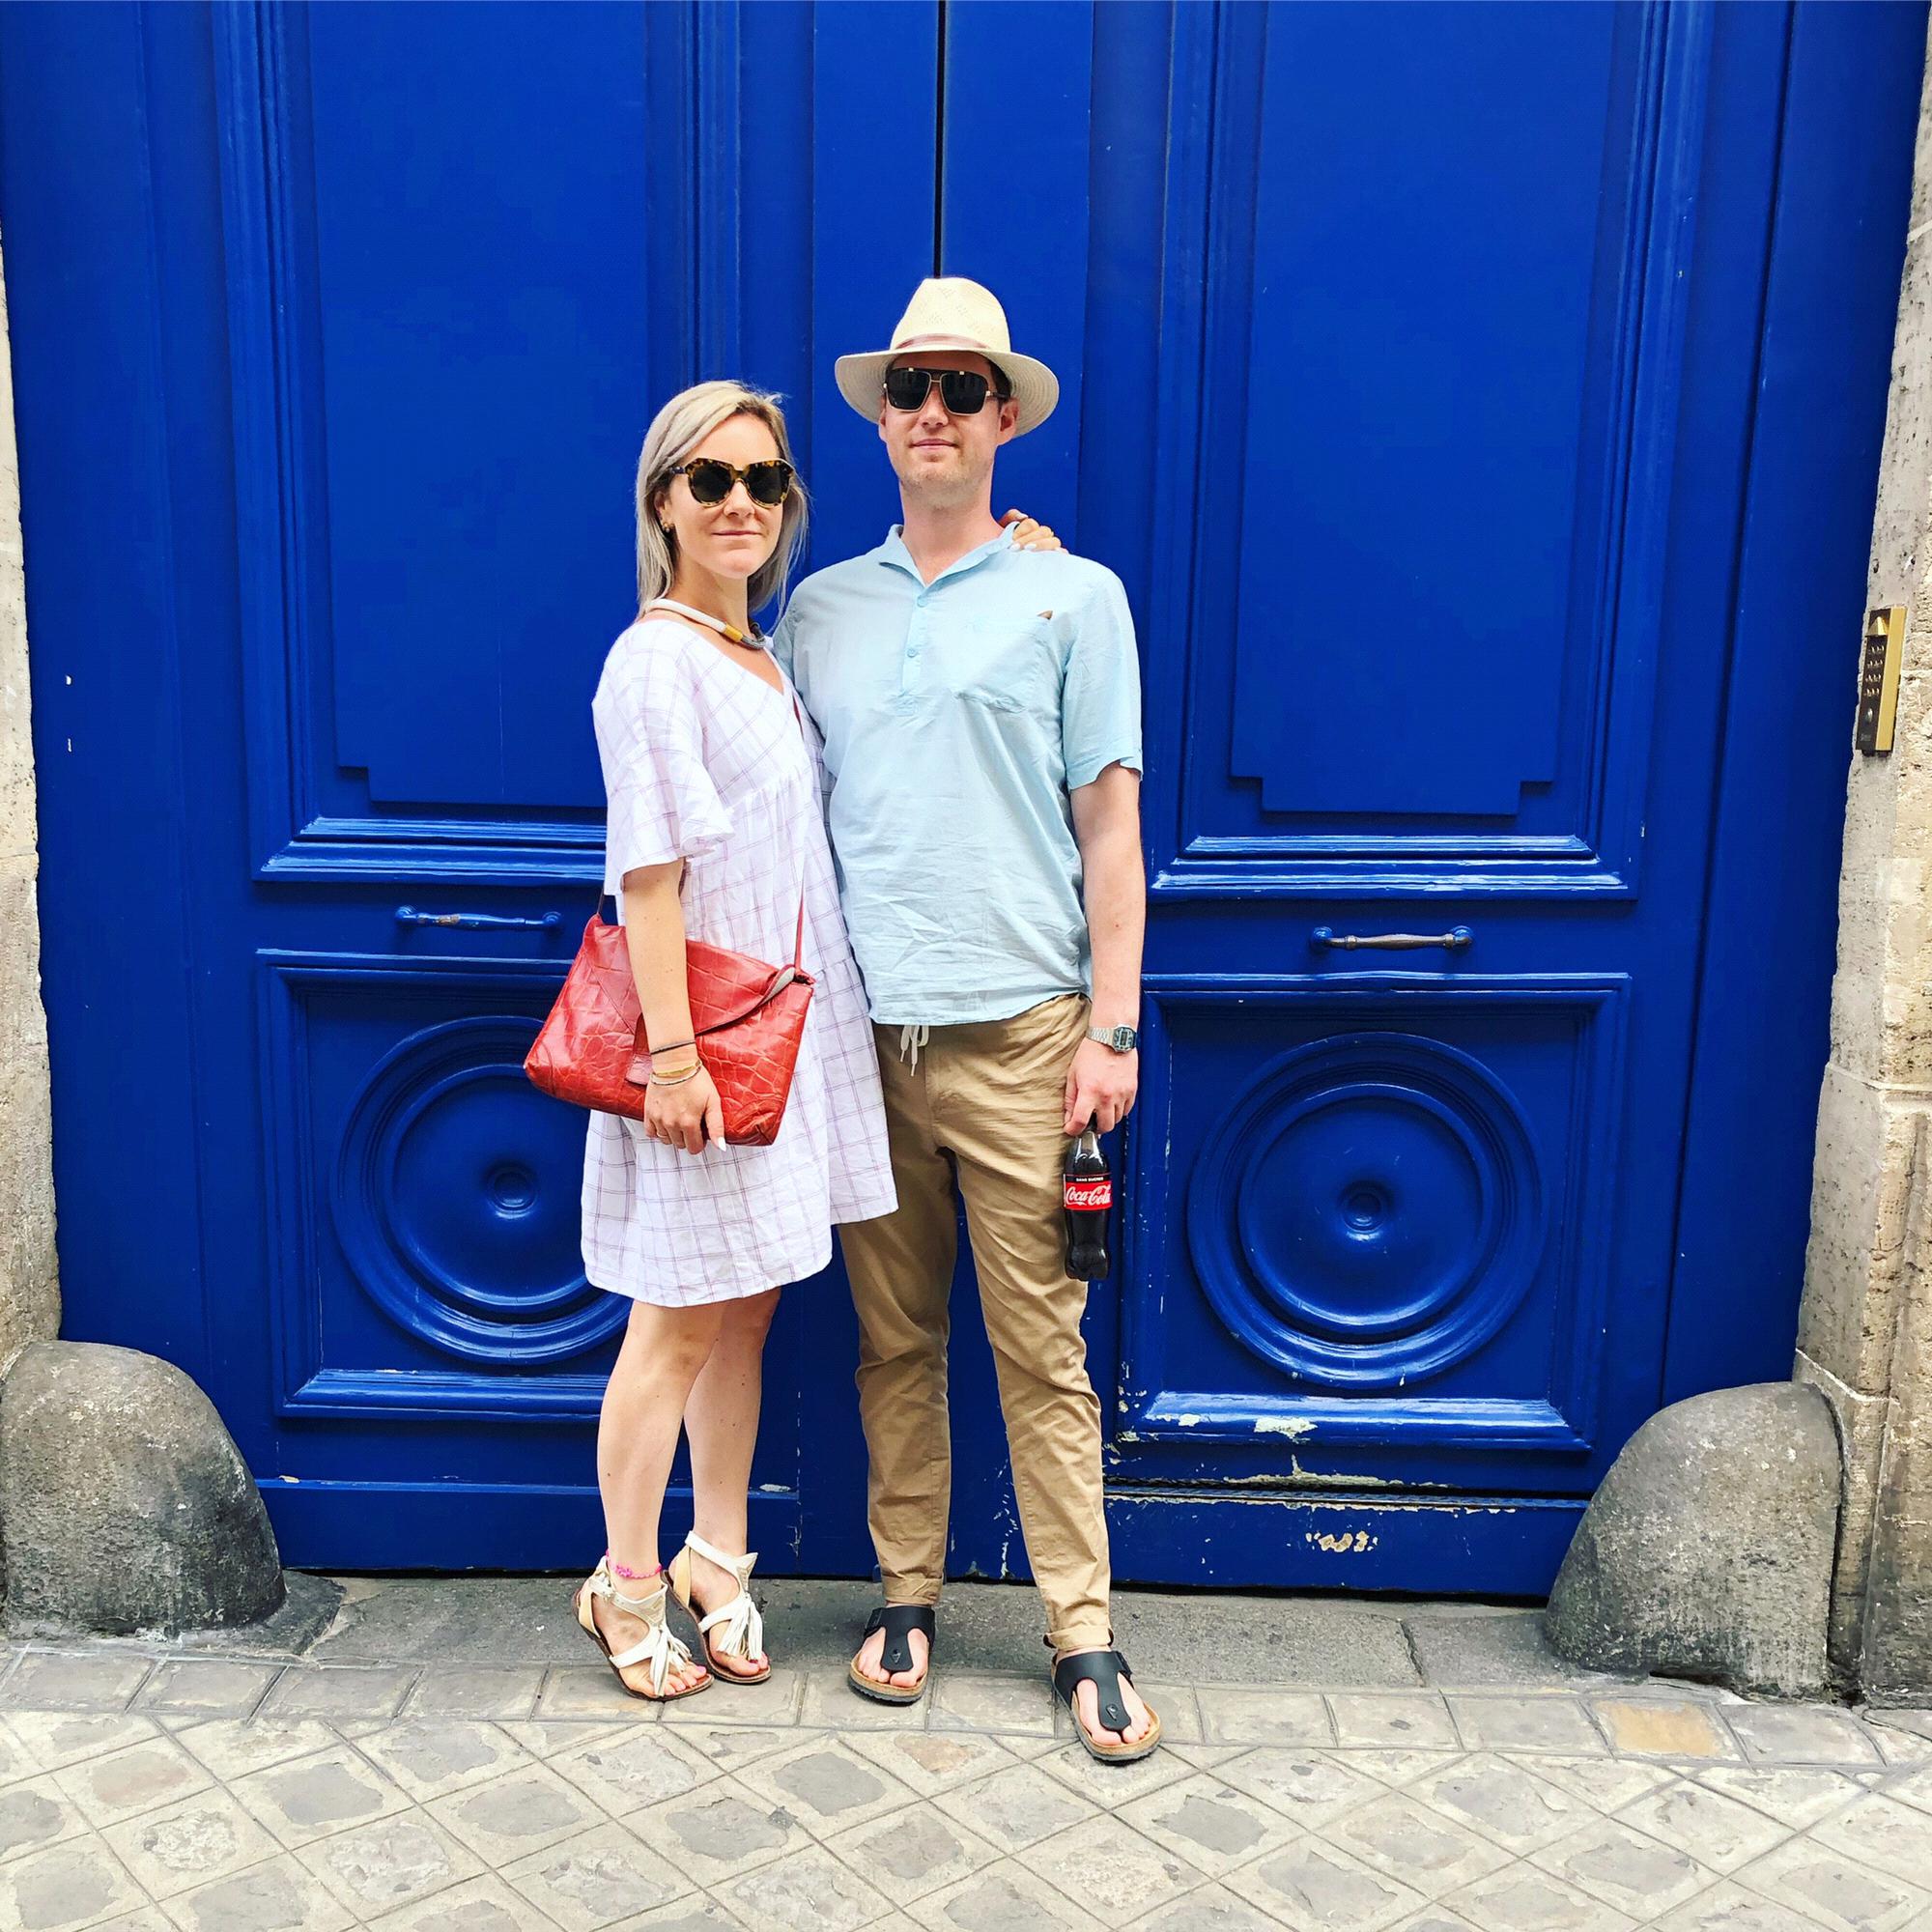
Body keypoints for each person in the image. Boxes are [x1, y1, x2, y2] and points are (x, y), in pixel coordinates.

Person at [571, 379, 1060, 1702]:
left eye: (764, 481)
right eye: (711, 480)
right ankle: (623, 1585)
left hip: (787, 1048)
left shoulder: (763, 650)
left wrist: (1019, 556)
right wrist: (675, 1060)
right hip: (708, 1047)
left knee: (745, 1310)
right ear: (663, 503)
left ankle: (716, 1553)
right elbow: (649, 878)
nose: (740, 503)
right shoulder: (656, 661)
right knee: (674, 1322)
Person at [774, 278, 1159, 1762]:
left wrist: (1112, 1030)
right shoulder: (821, 611)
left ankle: (1083, 1630)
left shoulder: (1076, 598)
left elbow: (1111, 832)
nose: (931, 412)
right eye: (909, 389)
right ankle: (907, 1595)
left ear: (1004, 417)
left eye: (960, 389)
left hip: (1023, 1035)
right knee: (890, 1345)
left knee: (1042, 1350)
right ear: (881, 420)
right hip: (865, 1041)